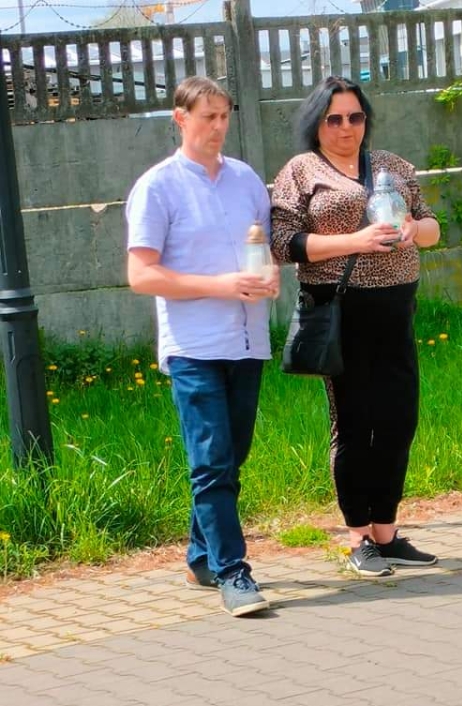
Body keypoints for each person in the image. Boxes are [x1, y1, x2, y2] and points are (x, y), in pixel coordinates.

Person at [271, 76, 440, 577]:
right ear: (317, 123)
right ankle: (358, 537)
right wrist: (356, 241)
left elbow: (433, 227)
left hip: (396, 308)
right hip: (340, 310)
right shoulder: (301, 171)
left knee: (398, 418)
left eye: (355, 117)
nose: (347, 127)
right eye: (335, 119)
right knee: (354, 423)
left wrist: (413, 230)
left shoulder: (393, 166)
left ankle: (387, 533)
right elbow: (283, 243)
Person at [125, 76, 279, 616]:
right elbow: (141, 275)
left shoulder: (246, 179)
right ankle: (234, 573)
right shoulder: (157, 187)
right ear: (180, 118)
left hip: (247, 340)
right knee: (211, 462)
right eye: (207, 116)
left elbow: (262, 248)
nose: (218, 126)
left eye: (224, 115)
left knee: (230, 460)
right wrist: (220, 286)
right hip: (194, 345)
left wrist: (269, 275)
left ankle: (200, 557)